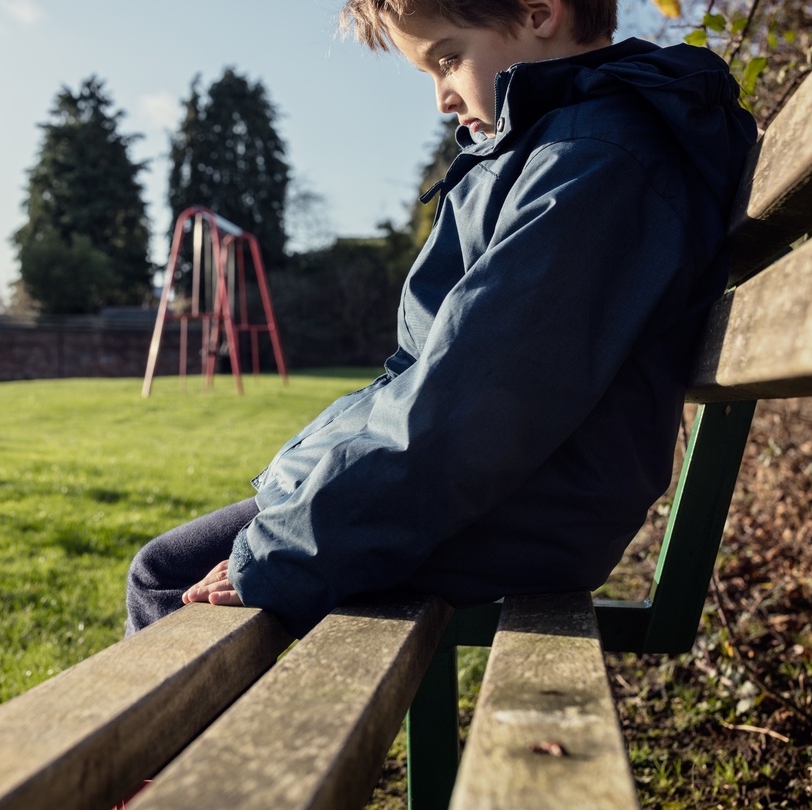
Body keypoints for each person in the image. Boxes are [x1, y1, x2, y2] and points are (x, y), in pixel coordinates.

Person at [125, 0, 759, 638]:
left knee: (167, 579)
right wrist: (306, 477)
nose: (443, 100)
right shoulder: (544, 147)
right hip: (492, 490)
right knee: (180, 565)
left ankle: (200, 743)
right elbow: (431, 373)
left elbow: (478, 399)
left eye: (449, 59)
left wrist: (284, 552)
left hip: (520, 507)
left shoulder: (595, 159)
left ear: (541, 12)